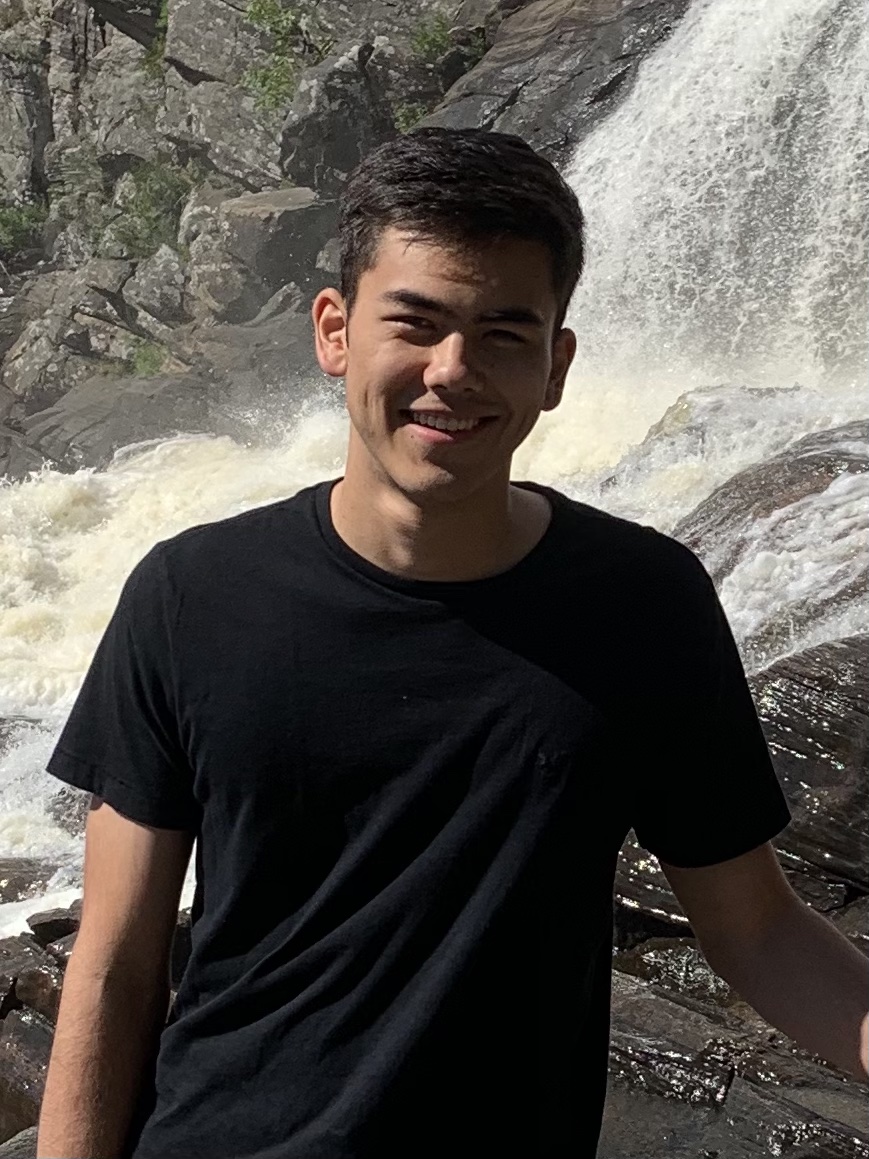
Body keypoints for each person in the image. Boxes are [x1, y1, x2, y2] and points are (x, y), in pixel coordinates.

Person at [37, 127, 867, 1159]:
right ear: (334, 331)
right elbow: (115, 961)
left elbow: (757, 928)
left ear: (555, 366)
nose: (452, 371)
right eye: (415, 323)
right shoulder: (189, 594)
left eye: (502, 334)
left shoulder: (642, 605)